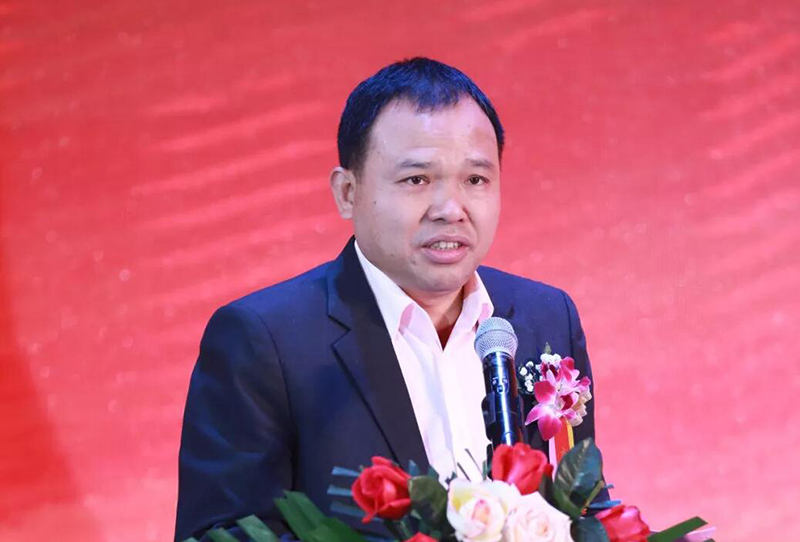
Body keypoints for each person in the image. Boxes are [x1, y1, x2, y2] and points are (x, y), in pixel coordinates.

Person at [175, 58, 604, 541]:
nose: (451, 209)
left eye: (475, 180)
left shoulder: (546, 318)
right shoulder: (264, 342)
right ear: (347, 192)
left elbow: (583, 505)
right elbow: (219, 536)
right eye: (417, 180)